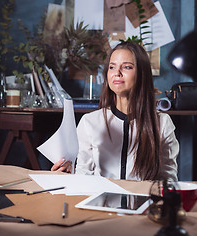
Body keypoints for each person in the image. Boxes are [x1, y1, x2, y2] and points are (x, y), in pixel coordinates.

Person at [52, 41, 179, 181]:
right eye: (112, 67)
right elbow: (84, 176)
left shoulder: (162, 123)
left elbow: (169, 180)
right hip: (100, 202)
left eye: (127, 67)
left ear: (142, 74)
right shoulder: (90, 122)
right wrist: (67, 177)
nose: (117, 73)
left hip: (144, 201)